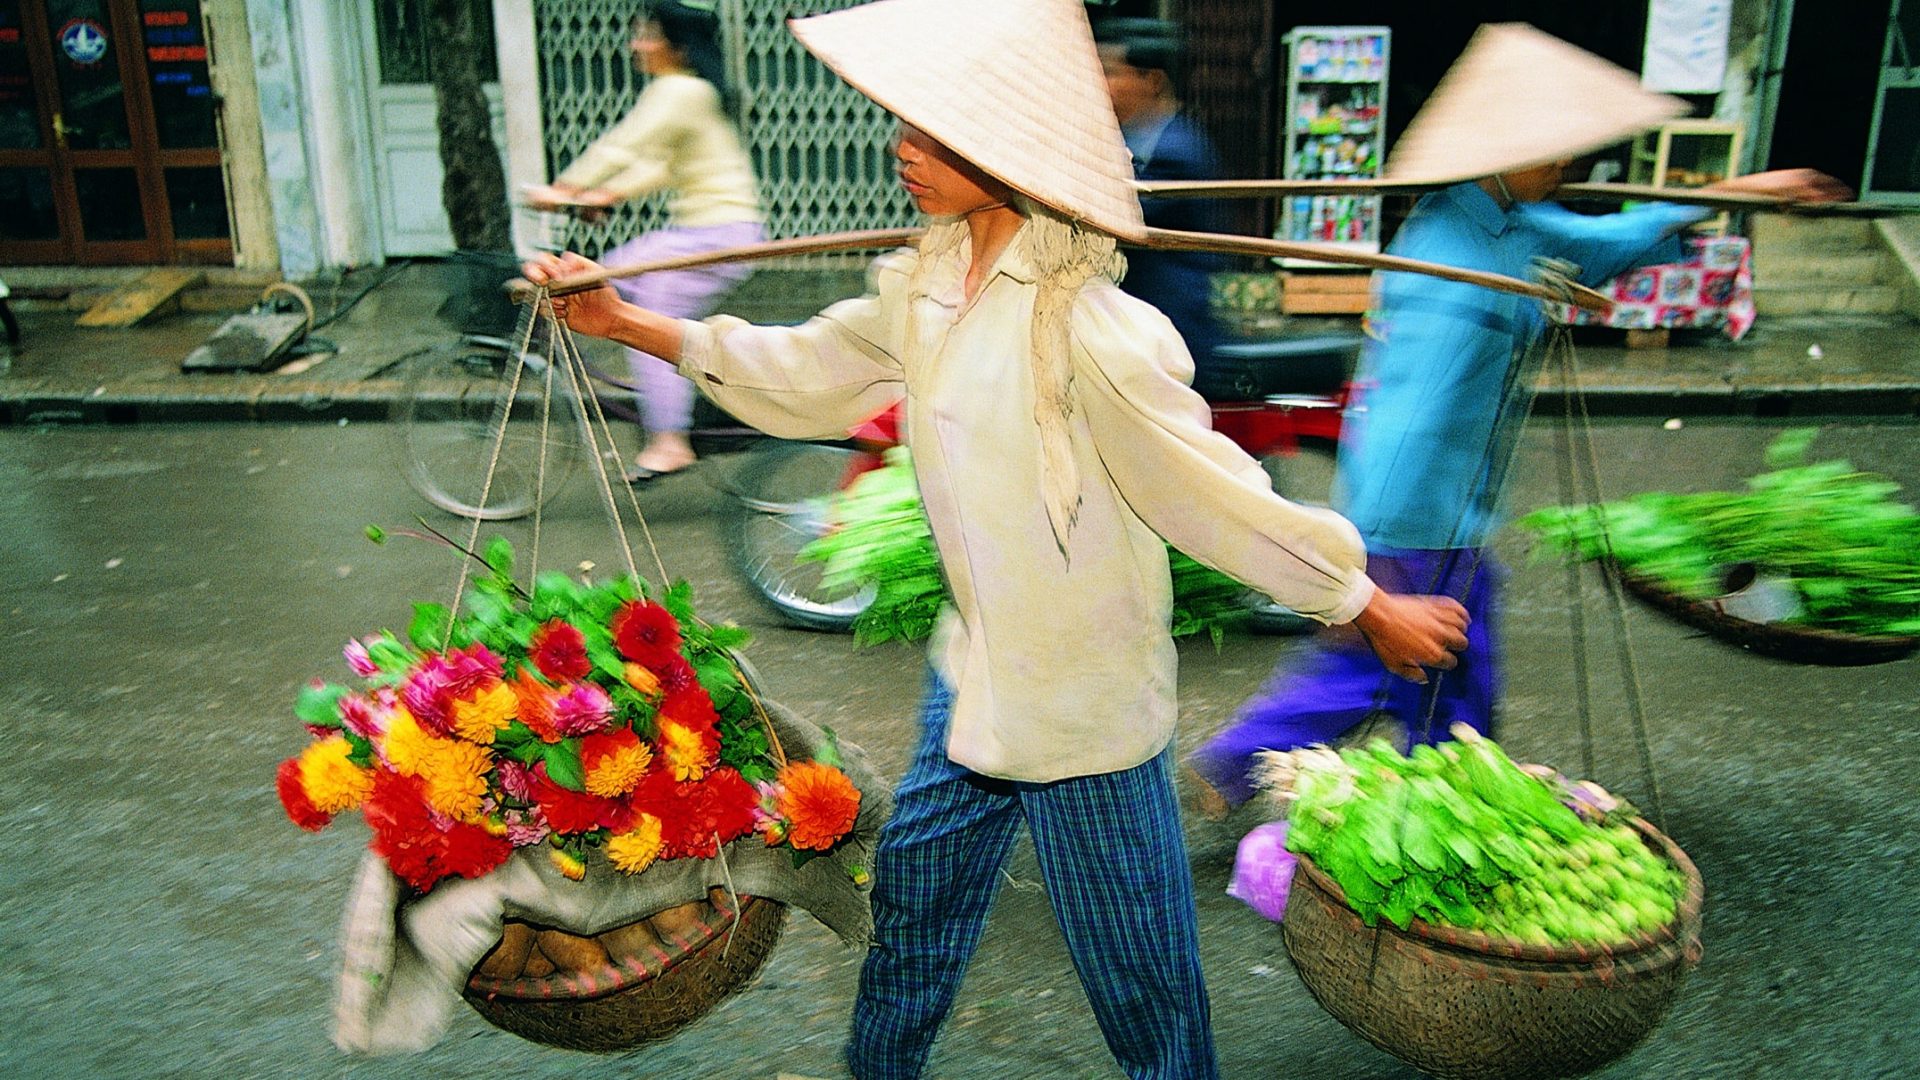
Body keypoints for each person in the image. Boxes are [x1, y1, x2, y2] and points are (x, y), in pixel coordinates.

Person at [524, 1, 1469, 1075]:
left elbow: (1216, 494)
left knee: (1144, 984)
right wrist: (624, 321)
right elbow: (806, 372)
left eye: (931, 136)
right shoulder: (924, 286)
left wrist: (1361, 601)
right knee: (913, 917)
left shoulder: (1090, 330)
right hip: (970, 676)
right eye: (906, 128)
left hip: (1082, 707)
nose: (901, 152)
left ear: (1007, 155)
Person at [1186, 24, 1850, 814]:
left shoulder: (1515, 227)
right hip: (1416, 511)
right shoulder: (1449, 252)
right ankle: (1345, 775)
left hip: (1448, 508)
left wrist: (1753, 190)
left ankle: (1401, 784)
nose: (1565, 167)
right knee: (1416, 665)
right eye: (1552, 152)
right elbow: (1414, 409)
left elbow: (1618, 234)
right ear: (1502, 154)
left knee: (1428, 672)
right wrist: (1361, 568)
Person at [523, 0, 763, 481]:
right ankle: (671, 394)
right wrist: (602, 194)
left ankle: (670, 439)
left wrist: (564, 190)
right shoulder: (688, 93)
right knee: (610, 274)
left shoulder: (680, 90)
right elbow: (659, 165)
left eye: (647, 35)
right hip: (710, 231)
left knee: (647, 316)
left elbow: (623, 144)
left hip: (717, 235)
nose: (637, 45)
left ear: (675, 46)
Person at [1094, 18, 1231, 395]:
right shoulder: (1137, 140)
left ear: (1151, 81)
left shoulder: (1176, 151)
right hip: (1139, 328)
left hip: (1170, 332)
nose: (1102, 85)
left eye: (1111, 73)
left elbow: (1116, 216)